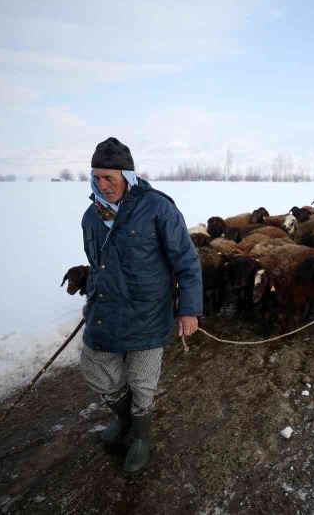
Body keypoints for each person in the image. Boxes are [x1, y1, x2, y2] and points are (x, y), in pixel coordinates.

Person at [79, 137, 202, 474]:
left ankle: (142, 435)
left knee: (142, 380)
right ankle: (124, 416)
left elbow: (187, 262)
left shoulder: (158, 208)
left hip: (148, 313)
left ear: (128, 176)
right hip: (107, 311)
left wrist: (189, 309)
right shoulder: (92, 217)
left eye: (111, 178)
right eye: (98, 177)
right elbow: (95, 265)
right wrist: (91, 300)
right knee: (95, 369)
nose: (104, 186)